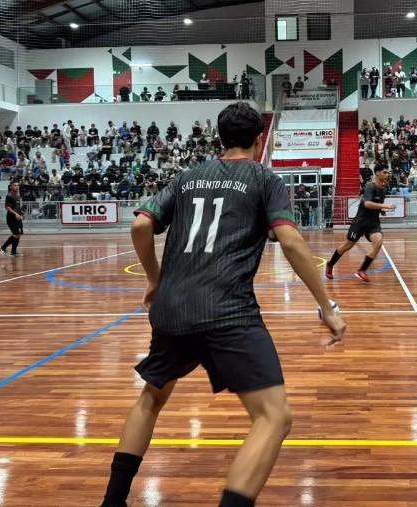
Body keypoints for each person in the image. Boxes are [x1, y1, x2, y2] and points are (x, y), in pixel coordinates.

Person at [100, 103, 346, 507]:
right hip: (226, 309)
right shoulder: (264, 178)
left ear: (219, 138)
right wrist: (327, 306)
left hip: (171, 307)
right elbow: (290, 241)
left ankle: (112, 501)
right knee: (274, 417)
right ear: (259, 139)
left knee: (151, 398)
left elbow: (141, 223)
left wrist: (153, 277)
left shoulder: (186, 176)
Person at [325, 164, 395, 282]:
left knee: (378, 242)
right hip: (360, 222)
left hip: (373, 223)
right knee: (348, 245)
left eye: (388, 172)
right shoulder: (370, 186)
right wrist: (385, 206)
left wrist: (381, 210)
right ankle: (330, 264)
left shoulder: (384, 189)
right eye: (385, 172)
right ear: (377, 173)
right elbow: (367, 204)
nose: (387, 174)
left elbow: (375, 205)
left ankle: (362, 270)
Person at [0, 181, 23, 257]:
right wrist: (15, 214)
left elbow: (17, 207)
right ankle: (2, 248)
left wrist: (21, 213)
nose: (17, 186)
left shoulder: (18, 195)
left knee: (18, 234)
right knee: (16, 234)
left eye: (18, 185)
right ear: (11, 187)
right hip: (11, 218)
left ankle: (13, 252)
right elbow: (7, 207)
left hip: (18, 218)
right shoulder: (9, 195)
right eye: (15, 185)